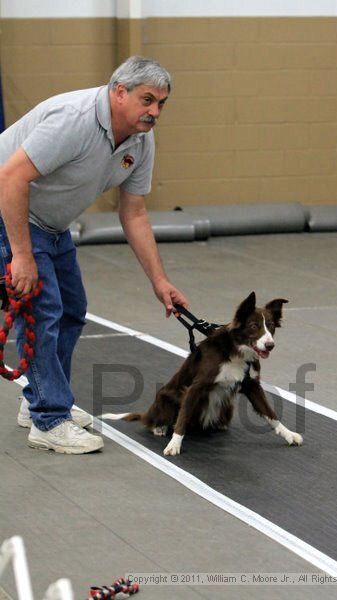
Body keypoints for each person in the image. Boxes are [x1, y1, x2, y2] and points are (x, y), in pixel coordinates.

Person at [0, 56, 188, 454]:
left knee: (71, 309)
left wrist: (160, 281)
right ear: (119, 92)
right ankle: (49, 419)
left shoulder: (140, 139)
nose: (154, 112)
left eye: (162, 103)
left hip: (51, 224)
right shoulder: (75, 119)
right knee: (43, 309)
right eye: (147, 100)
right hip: (10, 209)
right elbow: (10, 176)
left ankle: (37, 398)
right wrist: (20, 255)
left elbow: (133, 212)